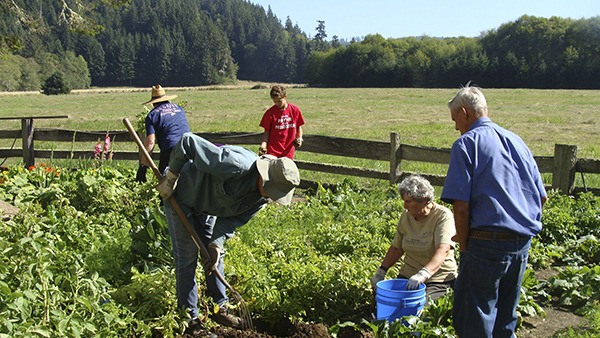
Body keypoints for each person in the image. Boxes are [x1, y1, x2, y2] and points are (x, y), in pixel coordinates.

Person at [157, 132, 300, 330]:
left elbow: (230, 222)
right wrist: (171, 177)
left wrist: (216, 244)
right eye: (272, 189)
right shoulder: (236, 165)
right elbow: (188, 141)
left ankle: (220, 309)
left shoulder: (260, 200)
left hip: (208, 206)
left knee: (213, 257)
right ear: (265, 176)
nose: (271, 196)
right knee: (187, 257)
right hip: (180, 193)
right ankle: (190, 319)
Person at [441, 83, 547, 338]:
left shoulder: (466, 144)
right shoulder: (517, 141)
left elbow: (461, 206)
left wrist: (464, 246)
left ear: (465, 112)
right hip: (521, 243)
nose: (456, 126)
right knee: (505, 317)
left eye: (455, 119)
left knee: (474, 317)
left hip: (485, 244)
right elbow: (541, 197)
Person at [370, 174, 457, 303]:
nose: (405, 206)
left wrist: (424, 273)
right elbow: (397, 248)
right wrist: (381, 271)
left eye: (408, 202)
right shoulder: (406, 216)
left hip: (438, 279)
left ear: (424, 199)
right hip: (408, 276)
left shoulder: (442, 216)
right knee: (388, 302)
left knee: (421, 308)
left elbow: (442, 249)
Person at [136, 84, 190, 182]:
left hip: (171, 148)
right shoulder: (179, 109)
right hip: (189, 145)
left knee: (165, 182)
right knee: (188, 178)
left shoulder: (152, 115)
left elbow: (150, 142)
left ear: (153, 103)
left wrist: (143, 166)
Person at [259, 85, 305, 159]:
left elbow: (298, 127)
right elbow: (266, 132)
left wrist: (299, 138)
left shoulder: (295, 110)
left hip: (288, 151)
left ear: (285, 97)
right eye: (274, 101)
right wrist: (263, 145)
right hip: (273, 151)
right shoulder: (270, 113)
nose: (277, 104)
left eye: (279, 101)